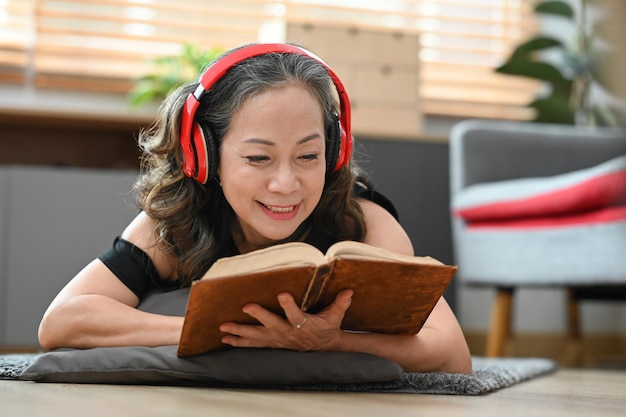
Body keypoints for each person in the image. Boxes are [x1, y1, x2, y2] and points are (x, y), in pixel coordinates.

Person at [38, 43, 472, 374]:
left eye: (308, 156)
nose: (286, 185)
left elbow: (452, 353)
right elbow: (61, 322)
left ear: (334, 151)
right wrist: (230, 331)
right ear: (204, 157)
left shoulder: (360, 219)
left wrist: (331, 342)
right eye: (258, 158)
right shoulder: (179, 218)